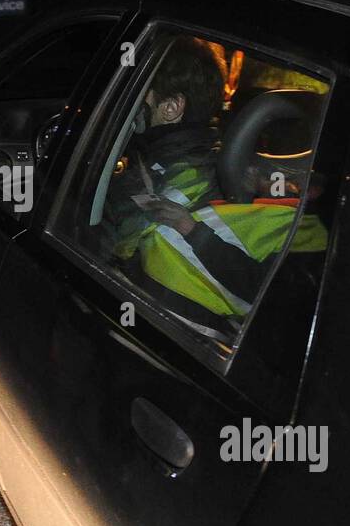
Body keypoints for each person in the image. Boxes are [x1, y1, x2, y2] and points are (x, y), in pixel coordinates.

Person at [106, 39, 327, 323]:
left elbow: (111, 246)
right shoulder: (193, 156)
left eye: (141, 94)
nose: (130, 104)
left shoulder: (177, 176)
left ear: (171, 107)